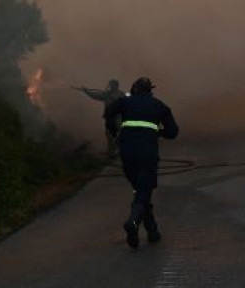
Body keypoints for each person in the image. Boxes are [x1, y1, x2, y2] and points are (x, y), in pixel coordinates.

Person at [103, 76, 179, 249]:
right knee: (143, 190)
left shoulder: (124, 102)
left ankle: (152, 231)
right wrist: (158, 132)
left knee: (140, 189)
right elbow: (173, 132)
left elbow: (108, 114)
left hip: (127, 152)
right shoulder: (160, 106)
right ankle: (133, 221)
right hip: (147, 153)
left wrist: (114, 132)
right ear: (150, 90)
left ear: (134, 89)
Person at [74, 79, 124, 156]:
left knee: (118, 134)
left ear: (116, 86)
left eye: (112, 85)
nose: (111, 86)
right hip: (109, 117)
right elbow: (96, 96)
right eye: (110, 85)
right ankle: (111, 151)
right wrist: (86, 91)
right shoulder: (107, 94)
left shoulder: (120, 94)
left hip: (117, 117)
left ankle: (119, 151)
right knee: (109, 134)